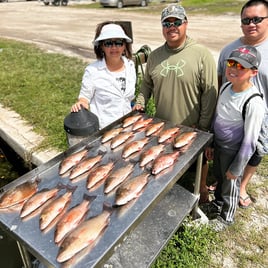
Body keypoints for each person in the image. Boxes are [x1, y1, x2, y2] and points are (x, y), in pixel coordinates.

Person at [133, 4, 218, 200]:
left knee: (198, 163)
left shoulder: (201, 54)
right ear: (162, 27)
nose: (172, 26)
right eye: (167, 23)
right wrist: (140, 101)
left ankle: (201, 189)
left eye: (177, 22)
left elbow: (209, 94)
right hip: (162, 125)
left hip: (193, 126)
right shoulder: (155, 56)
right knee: (164, 160)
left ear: (186, 24)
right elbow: (146, 84)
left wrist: (203, 127)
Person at [206, 45, 265, 229]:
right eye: (231, 63)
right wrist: (212, 142)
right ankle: (217, 204)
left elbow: (250, 142)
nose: (233, 69)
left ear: (253, 72)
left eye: (241, 66)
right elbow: (218, 115)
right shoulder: (225, 87)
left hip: (235, 150)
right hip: (220, 145)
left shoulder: (253, 102)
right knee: (219, 177)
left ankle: (226, 217)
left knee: (230, 183)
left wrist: (237, 167)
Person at [217, 0, 268, 208]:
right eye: (246, 20)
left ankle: (242, 185)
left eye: (257, 19)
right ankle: (227, 182)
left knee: (255, 151)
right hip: (231, 114)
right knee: (228, 154)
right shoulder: (229, 50)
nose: (251, 24)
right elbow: (220, 80)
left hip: (259, 115)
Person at [71, 21, 136, 129]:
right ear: (101, 46)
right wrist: (80, 105)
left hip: (129, 127)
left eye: (119, 42)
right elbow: (84, 98)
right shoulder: (92, 71)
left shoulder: (130, 66)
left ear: (124, 45)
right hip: (105, 130)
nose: (114, 47)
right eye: (108, 43)